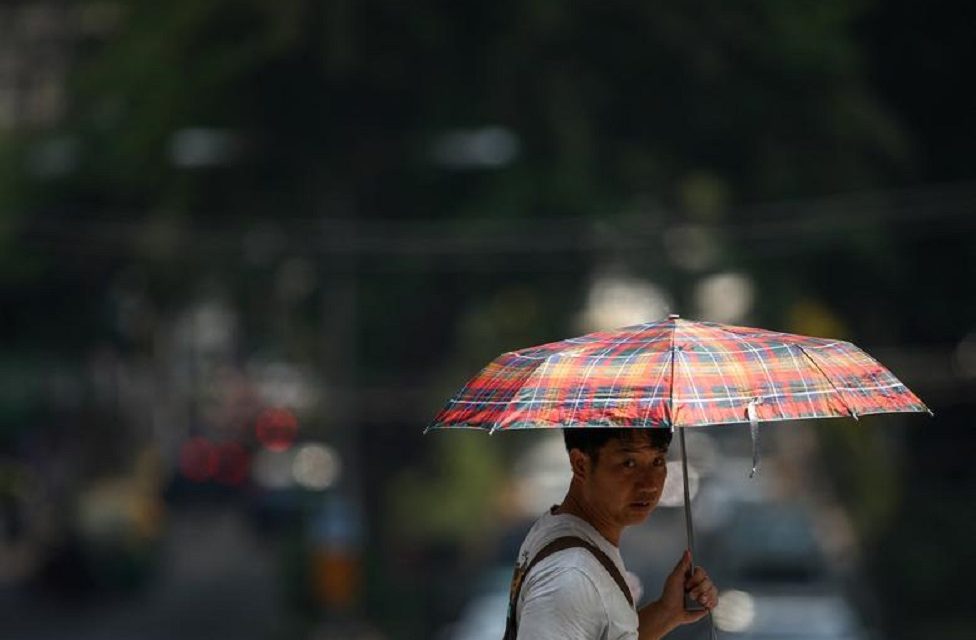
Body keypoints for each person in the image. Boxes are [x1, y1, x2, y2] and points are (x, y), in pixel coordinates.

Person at [504, 427, 717, 640]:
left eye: (658, 461)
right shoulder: (571, 576)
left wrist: (666, 612)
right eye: (629, 464)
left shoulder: (565, 532)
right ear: (581, 465)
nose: (650, 484)